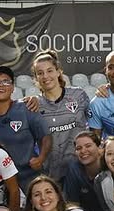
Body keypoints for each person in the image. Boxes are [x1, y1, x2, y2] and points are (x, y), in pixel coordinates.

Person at [0, 65, 50, 191]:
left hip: (28, 177)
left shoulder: (27, 108)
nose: (1, 85)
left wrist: (41, 157)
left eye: (6, 81)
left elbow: (45, 136)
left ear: (12, 88)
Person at [30, 50, 90, 186]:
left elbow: (95, 124)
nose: (45, 76)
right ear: (36, 78)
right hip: (51, 176)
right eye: (40, 73)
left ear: (58, 72)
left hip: (80, 172)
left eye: (50, 70)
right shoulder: (34, 106)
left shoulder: (79, 95)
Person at [62, 129, 106, 211]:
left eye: (88, 146)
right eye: (79, 148)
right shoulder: (74, 169)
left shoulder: (108, 165)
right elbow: (72, 204)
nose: (83, 151)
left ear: (99, 147)